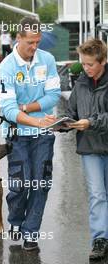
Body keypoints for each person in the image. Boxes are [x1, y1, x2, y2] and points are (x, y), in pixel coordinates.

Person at [0, 16, 61, 251]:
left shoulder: (48, 60)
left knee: (41, 183)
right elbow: (9, 109)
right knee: (20, 183)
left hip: (44, 133)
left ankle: (31, 232)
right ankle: (15, 220)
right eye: (30, 43)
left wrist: (26, 107)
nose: (35, 47)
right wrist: (35, 118)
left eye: (38, 42)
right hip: (18, 134)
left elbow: (53, 95)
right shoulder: (6, 66)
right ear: (18, 38)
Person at [66, 39, 108, 260]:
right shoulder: (81, 82)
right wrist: (64, 123)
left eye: (90, 64)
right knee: (97, 195)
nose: (86, 68)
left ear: (103, 61)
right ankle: (100, 239)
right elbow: (72, 110)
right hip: (89, 147)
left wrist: (91, 122)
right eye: (83, 64)